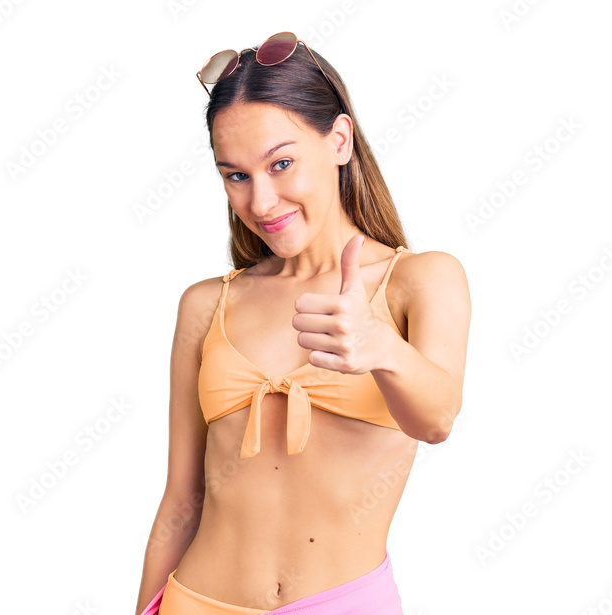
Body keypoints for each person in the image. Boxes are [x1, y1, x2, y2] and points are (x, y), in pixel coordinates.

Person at [134, 31, 470, 615]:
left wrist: (382, 348)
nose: (261, 202)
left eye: (281, 164)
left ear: (339, 140)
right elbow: (182, 501)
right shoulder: (206, 305)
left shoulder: (421, 281)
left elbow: (437, 420)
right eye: (236, 175)